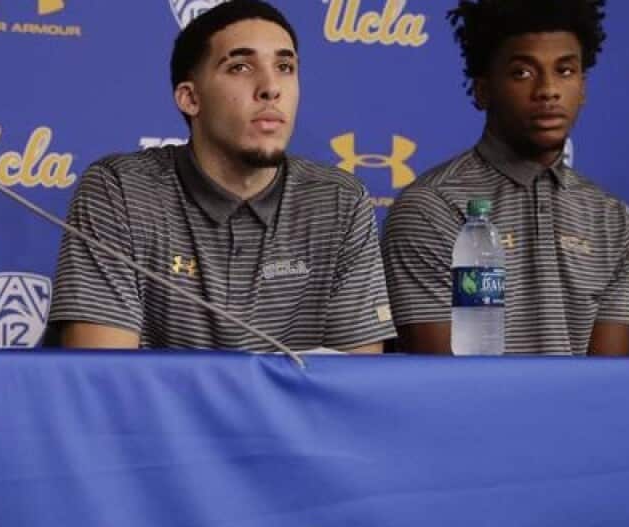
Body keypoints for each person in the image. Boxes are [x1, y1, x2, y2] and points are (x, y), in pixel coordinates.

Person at [48, 0, 394, 353]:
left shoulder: (340, 202)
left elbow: (357, 379)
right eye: (240, 67)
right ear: (190, 98)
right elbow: (103, 375)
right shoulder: (120, 191)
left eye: (285, 67)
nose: (271, 87)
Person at [383, 0, 629, 355]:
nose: (548, 90)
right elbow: (442, 378)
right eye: (522, 73)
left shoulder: (613, 218)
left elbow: (610, 378)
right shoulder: (430, 208)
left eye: (565, 71)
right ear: (482, 90)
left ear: (582, 87)